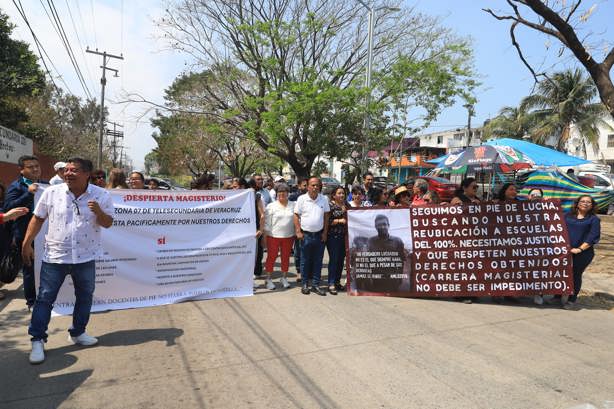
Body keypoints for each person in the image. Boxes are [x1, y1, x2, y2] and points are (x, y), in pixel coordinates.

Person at [21, 158, 114, 364]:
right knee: (45, 299)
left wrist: (98, 211)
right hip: (55, 256)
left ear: (87, 174)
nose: (69, 173)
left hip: (85, 257)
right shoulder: (52, 193)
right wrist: (26, 244)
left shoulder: (102, 195)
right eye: (67, 170)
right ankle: (37, 340)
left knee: (84, 296)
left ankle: (78, 332)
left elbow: (107, 224)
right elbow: (37, 219)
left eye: (75, 170)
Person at [4, 155, 48, 308]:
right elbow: (8, 208)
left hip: (46, 234)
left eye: (37, 166)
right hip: (25, 235)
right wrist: (28, 193)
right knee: (30, 269)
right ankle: (32, 302)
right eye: (31, 167)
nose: (36, 169)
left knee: (47, 267)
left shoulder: (45, 185)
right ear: (21, 170)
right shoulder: (16, 186)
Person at [563, 195, 601, 310]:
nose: (585, 203)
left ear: (592, 205)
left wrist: (579, 249)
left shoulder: (594, 219)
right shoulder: (567, 216)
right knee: (561, 273)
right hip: (565, 251)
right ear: (577, 203)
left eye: (588, 202)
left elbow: (592, 237)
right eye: (583, 201)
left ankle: (571, 299)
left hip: (583, 253)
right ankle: (557, 295)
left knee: (575, 275)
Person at [294, 177, 329, 296]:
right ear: (308, 186)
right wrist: (298, 231)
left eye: (317, 185)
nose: (315, 187)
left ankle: (315, 284)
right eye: (312, 185)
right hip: (305, 235)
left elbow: (326, 217)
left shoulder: (324, 199)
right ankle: (304, 284)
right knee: (305, 260)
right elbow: (295, 215)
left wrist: (325, 233)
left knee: (318, 261)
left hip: (319, 235)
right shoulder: (301, 199)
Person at [263, 184, 295, 290]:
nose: (282, 194)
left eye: (284, 192)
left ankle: (284, 278)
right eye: (279, 192)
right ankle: (268, 279)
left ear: (288, 193)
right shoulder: (271, 206)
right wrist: (265, 236)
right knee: (271, 257)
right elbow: (267, 222)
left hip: (289, 236)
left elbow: (297, 219)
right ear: (276, 194)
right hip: (273, 236)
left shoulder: (293, 205)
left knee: (285, 257)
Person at [364, 214, 406, 292]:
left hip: (393, 280)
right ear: (375, 226)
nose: (382, 227)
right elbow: (367, 261)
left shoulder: (398, 241)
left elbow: (401, 261)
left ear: (388, 225)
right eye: (379, 225)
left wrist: (400, 277)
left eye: (384, 224)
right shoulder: (370, 241)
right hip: (376, 279)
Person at [326, 186, 347, 294]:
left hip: (344, 237)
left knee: (340, 261)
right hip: (333, 237)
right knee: (333, 260)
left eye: (343, 193)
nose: (341, 195)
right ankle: (331, 283)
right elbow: (327, 222)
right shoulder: (330, 205)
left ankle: (337, 282)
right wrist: (339, 220)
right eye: (339, 193)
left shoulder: (346, 205)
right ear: (333, 195)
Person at [289, 177, 308, 283]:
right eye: (304, 185)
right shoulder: (293, 197)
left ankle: (307, 272)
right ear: (299, 186)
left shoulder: (312, 197)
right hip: (297, 227)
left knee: (308, 251)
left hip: (309, 228)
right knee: (298, 251)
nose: (306, 187)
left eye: (307, 185)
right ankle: (299, 272)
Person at [248, 179, 266, 286]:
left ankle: (255, 273)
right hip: (244, 232)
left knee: (256, 254)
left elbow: (262, 215)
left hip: (255, 231)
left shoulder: (257, 197)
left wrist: (261, 230)